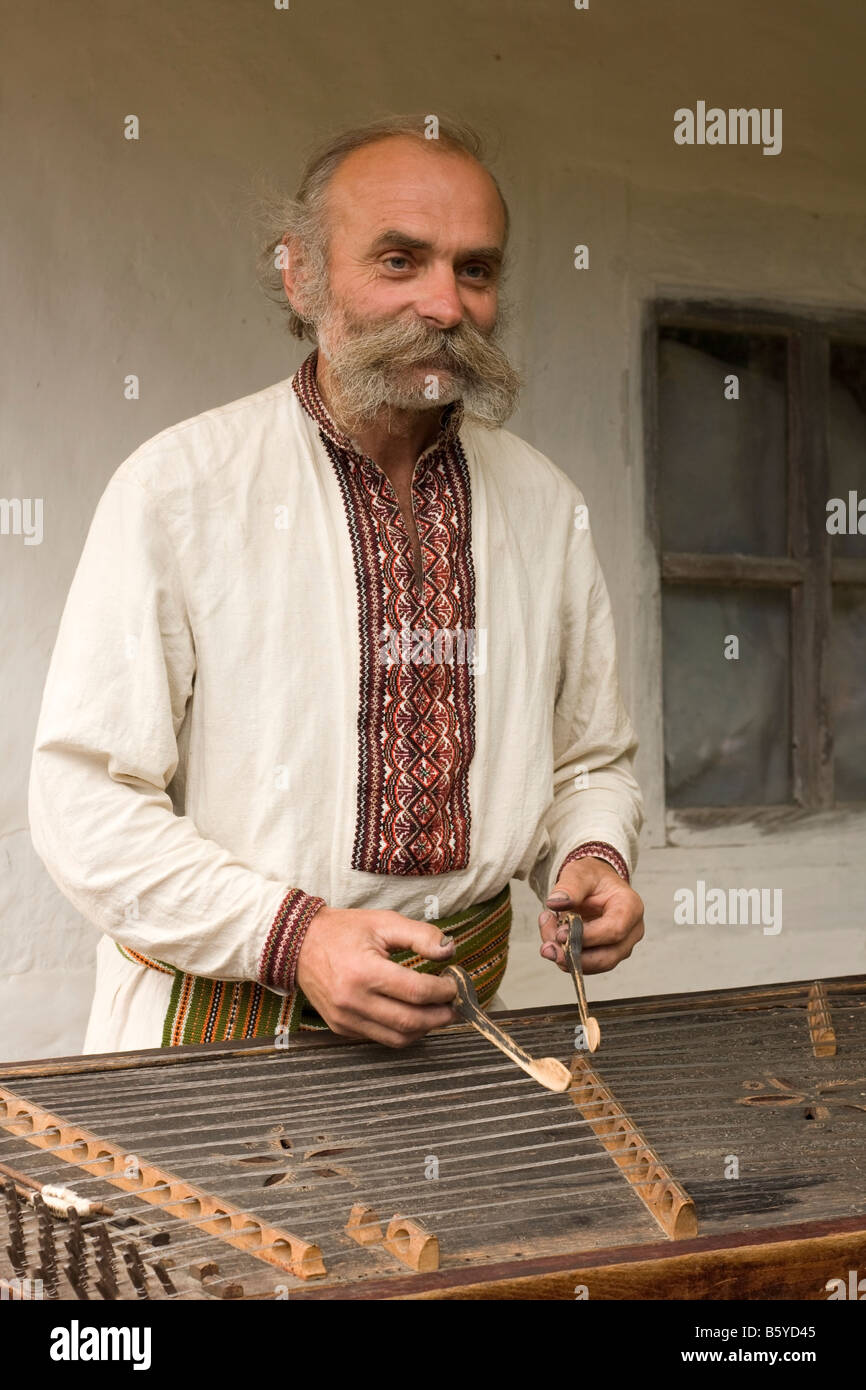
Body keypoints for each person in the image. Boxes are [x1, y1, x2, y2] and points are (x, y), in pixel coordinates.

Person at [28, 114, 645, 1054]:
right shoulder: (178, 489)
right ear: (302, 275)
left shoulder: (546, 504)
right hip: (216, 1048)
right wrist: (294, 938)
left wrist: (592, 857)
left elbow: (588, 761)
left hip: (465, 1048)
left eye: (475, 269)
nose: (444, 304)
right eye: (400, 260)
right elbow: (85, 803)